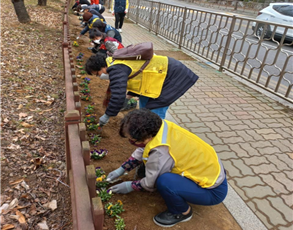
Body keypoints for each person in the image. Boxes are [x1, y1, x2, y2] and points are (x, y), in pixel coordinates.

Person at [106, 109, 228, 227]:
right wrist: (122, 169)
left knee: (164, 181)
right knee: (154, 167)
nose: (130, 142)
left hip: (212, 191)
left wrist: (130, 186)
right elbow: (144, 149)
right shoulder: (160, 128)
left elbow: (149, 184)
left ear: (147, 137)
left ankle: (182, 212)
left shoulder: (161, 151)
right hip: (211, 171)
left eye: (132, 140)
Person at [84, 49, 199, 126]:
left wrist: (107, 115)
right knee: (144, 109)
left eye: (98, 73)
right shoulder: (113, 61)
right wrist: (129, 96)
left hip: (172, 76)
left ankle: (156, 139)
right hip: (156, 78)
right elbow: (138, 77)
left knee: (155, 113)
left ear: (101, 67)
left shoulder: (115, 68)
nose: (100, 76)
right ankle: (145, 128)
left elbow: (117, 95)